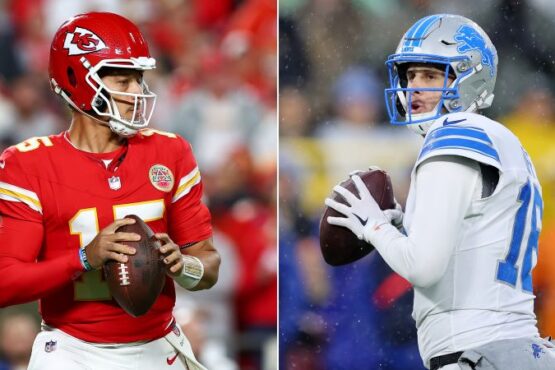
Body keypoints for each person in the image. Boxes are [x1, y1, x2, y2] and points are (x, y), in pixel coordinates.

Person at [325, 14, 555, 370]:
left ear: (469, 78)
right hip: (518, 349)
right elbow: (471, 241)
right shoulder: (505, 141)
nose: (414, 87)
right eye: (410, 74)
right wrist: (404, 225)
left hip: (475, 350)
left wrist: (374, 226)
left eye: (431, 75)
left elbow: (423, 266)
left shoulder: (452, 134)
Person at [0, 12, 220, 370]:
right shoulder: (29, 164)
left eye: (139, 79)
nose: (137, 93)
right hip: (73, 351)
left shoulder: (170, 151)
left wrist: (183, 267)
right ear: (77, 82)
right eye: (123, 80)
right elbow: (5, 282)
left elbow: (209, 267)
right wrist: (85, 258)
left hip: (159, 343)